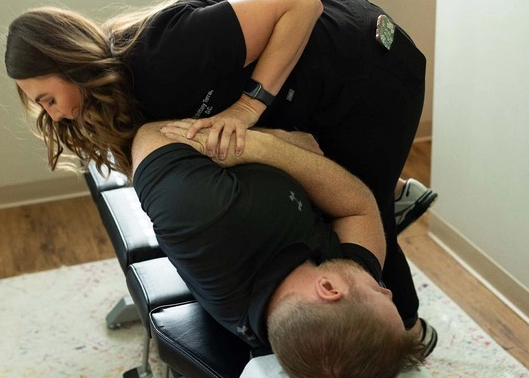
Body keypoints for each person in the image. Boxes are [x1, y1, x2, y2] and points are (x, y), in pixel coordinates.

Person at [5, 0, 437, 348]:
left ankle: (409, 334)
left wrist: (248, 108)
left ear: (71, 60)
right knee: (326, 183)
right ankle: (396, 189)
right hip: (310, 95)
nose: (54, 115)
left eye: (48, 99)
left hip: (369, 67)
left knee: (369, 209)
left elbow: (301, 6)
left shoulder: (163, 52)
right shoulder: (123, 95)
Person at [132, 119, 426, 377]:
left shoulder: (207, 221)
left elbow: (151, 135)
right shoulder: (333, 290)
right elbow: (360, 206)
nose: (388, 291)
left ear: (328, 289)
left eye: (379, 295)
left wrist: (267, 143)